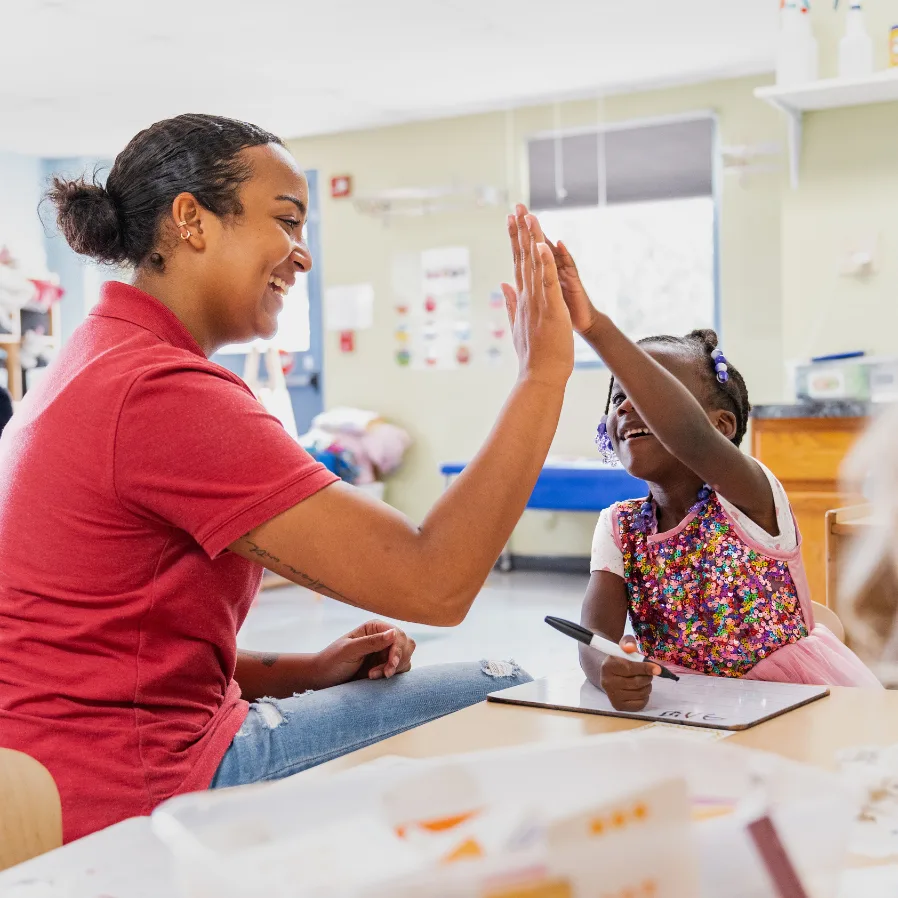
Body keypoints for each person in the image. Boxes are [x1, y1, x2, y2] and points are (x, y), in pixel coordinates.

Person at [0, 114, 573, 842]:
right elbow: (437, 581)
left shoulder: (92, 357)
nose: (302, 256)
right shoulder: (162, 391)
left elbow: (115, 648)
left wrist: (310, 668)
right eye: (287, 220)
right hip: (140, 792)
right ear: (191, 221)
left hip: (57, 776)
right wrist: (544, 374)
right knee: (507, 694)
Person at [499, 220, 880, 711]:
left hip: (796, 701)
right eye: (619, 394)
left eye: (646, 392)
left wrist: (594, 326)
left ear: (720, 426)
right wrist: (608, 669)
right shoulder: (618, 527)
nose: (626, 404)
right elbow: (594, 637)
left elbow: (688, 437)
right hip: (690, 707)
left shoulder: (751, 496)